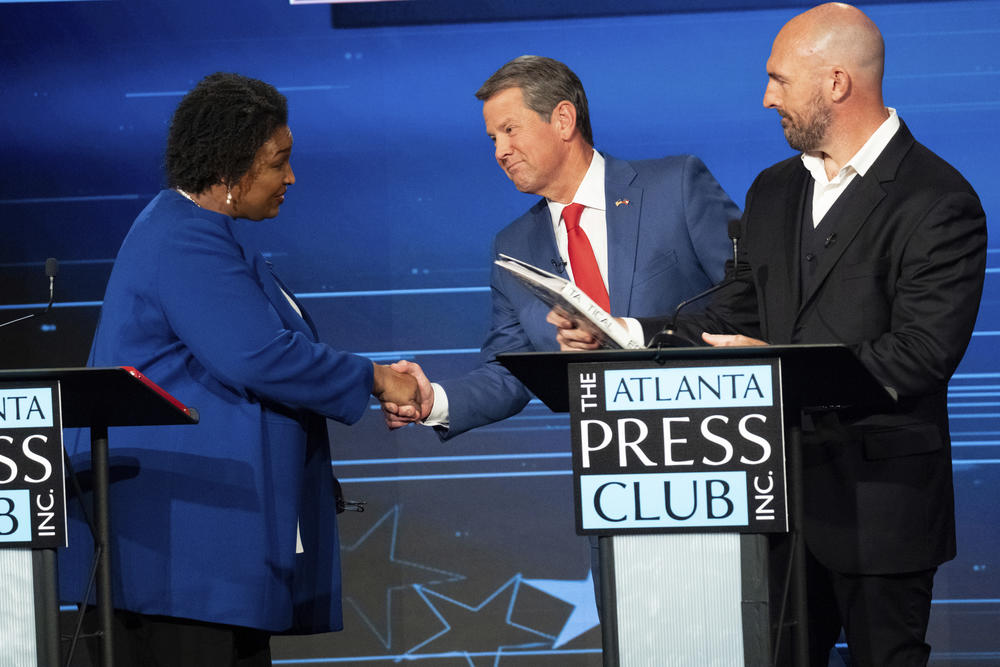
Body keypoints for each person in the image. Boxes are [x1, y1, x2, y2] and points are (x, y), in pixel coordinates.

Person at [551, 4, 988, 665]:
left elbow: (920, 354)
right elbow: (734, 311)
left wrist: (780, 371)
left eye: (779, 80)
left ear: (837, 83)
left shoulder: (937, 198)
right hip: (772, 502)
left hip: (882, 511)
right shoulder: (774, 190)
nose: (766, 98)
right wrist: (621, 333)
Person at [58, 72, 421, 666]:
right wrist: (377, 379)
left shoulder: (200, 232)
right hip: (180, 557)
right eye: (280, 162)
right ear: (231, 167)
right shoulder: (184, 238)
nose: (291, 178)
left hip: (202, 555)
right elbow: (259, 355)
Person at [383, 55, 739, 437]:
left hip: (718, 431)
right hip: (609, 456)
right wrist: (433, 401)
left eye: (509, 130)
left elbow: (749, 298)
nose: (500, 151)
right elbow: (511, 373)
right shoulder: (513, 246)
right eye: (493, 138)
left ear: (563, 120)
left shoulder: (675, 187)